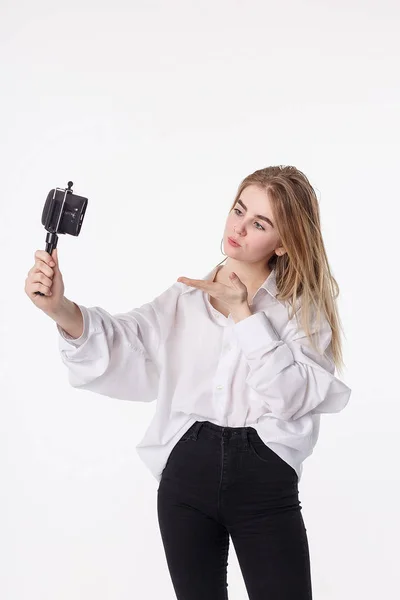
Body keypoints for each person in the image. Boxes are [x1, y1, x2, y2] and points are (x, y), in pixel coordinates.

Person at [25, 165, 351, 600]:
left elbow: (290, 399)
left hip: (264, 481)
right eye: (239, 210)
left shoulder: (302, 314)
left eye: (260, 223)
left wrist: (242, 314)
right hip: (185, 478)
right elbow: (127, 341)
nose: (239, 227)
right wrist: (60, 308)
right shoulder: (185, 299)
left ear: (285, 243)